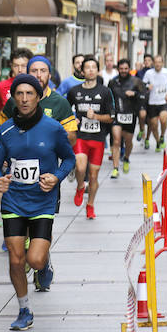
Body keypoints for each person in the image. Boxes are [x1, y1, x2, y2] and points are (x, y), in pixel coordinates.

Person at [0, 74, 76, 328]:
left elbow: (68, 159)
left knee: (34, 260)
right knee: (15, 259)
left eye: (30, 94)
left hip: (42, 201)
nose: (24, 99)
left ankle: (44, 261)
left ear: (39, 97)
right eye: (19, 94)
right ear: (13, 97)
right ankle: (24, 309)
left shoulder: (52, 128)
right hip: (14, 201)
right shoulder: (5, 130)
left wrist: (57, 177)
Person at [66, 56, 115, 218]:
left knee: (94, 176)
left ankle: (90, 205)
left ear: (97, 70)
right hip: (81, 136)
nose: (91, 70)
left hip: (98, 138)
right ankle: (80, 186)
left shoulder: (105, 91)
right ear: (82, 71)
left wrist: (96, 117)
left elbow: (111, 117)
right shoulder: (74, 91)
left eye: (94, 67)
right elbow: (66, 111)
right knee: (80, 167)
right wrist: (73, 118)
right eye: (88, 67)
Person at [0, 56, 78, 146]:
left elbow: (72, 139)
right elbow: (0, 129)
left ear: (49, 75)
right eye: (34, 71)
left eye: (43, 71)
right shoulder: (14, 100)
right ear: (27, 74)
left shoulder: (60, 102)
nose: (39, 75)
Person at [107, 58, 144, 177]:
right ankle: (116, 168)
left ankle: (127, 158)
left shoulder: (136, 81)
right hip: (117, 115)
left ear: (129, 69)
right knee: (116, 140)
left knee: (128, 141)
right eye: (121, 69)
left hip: (130, 115)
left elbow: (145, 95)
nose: (123, 71)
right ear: (117, 69)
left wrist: (135, 94)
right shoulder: (113, 82)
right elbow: (108, 98)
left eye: (126, 69)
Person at [143, 55, 167, 151]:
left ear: (162, 63)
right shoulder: (149, 73)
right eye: (156, 62)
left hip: (163, 101)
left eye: (159, 62)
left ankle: (162, 135)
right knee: (154, 125)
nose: (158, 64)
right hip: (152, 102)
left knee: (163, 120)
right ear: (153, 63)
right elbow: (143, 85)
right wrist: (148, 87)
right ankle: (157, 142)